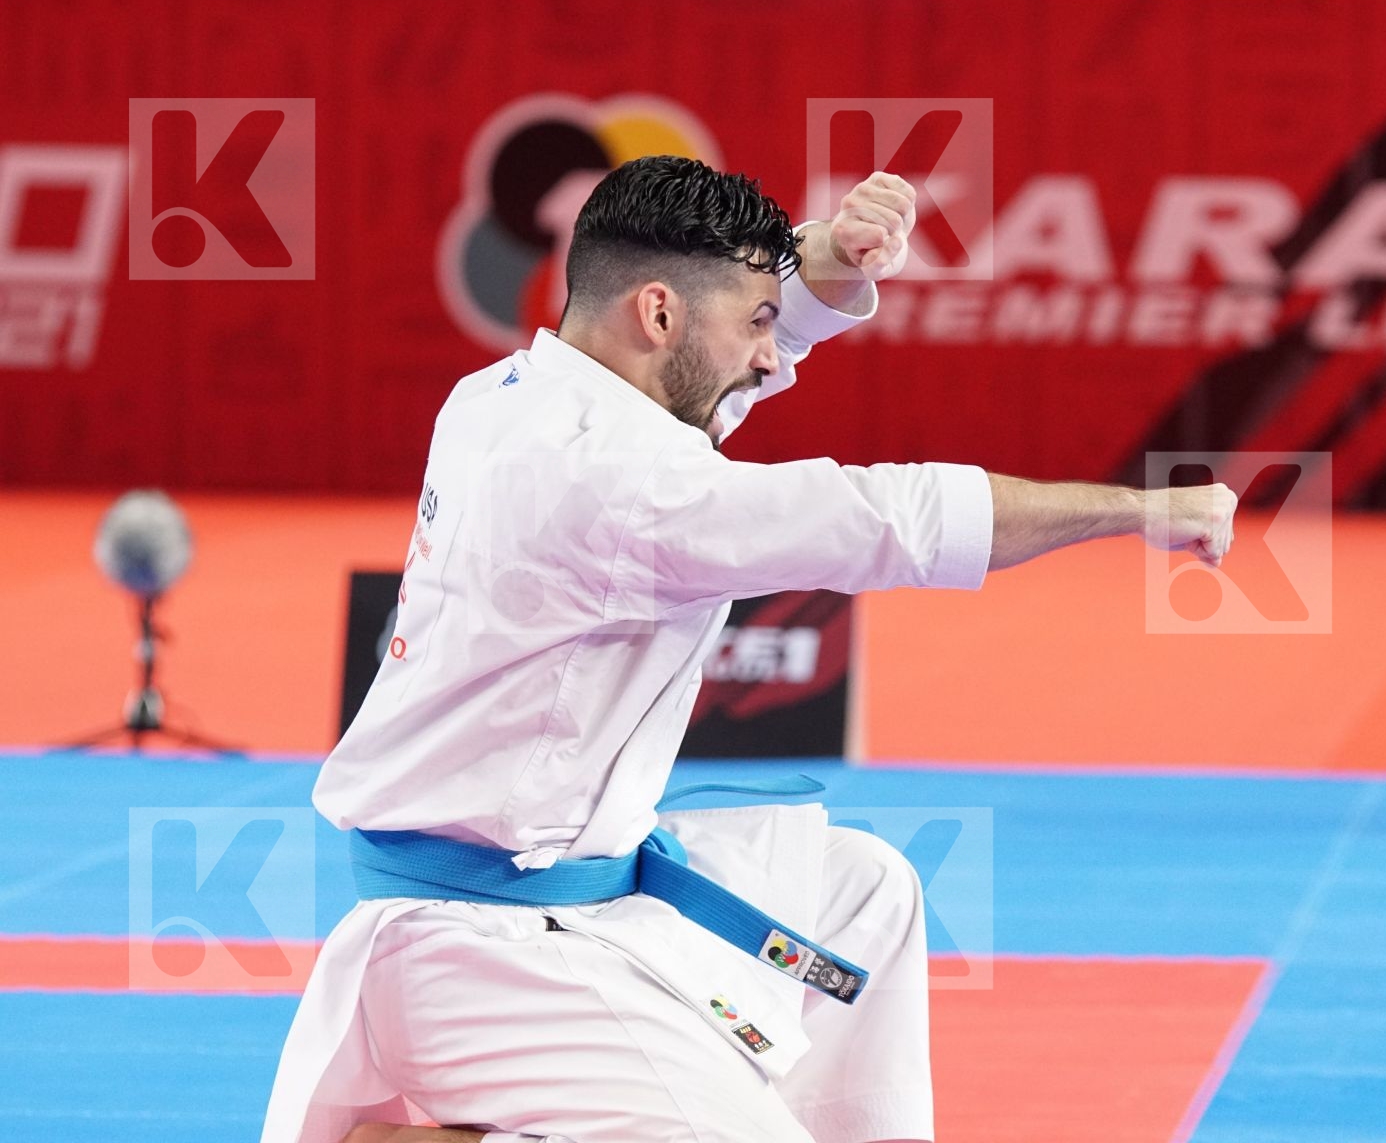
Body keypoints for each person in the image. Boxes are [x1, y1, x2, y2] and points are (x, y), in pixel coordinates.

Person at [260, 156, 1237, 1143]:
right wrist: (1136, 511)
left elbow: (702, 393)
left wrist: (824, 262)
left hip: (572, 888)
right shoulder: (620, 485)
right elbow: (888, 516)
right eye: (759, 324)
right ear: (657, 315)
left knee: (860, 890)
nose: (772, 361)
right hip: (480, 955)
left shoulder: (508, 394)